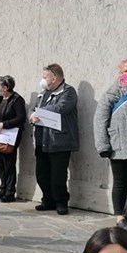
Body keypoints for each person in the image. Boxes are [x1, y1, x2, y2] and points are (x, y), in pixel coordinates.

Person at [93, 56, 127, 215]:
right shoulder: (112, 92)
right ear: (120, 72)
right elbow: (100, 119)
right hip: (118, 146)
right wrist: (103, 145)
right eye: (126, 70)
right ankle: (120, 216)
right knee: (120, 183)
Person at [30, 64, 79, 215]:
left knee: (58, 175)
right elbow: (32, 108)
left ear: (55, 78)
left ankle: (61, 202)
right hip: (41, 139)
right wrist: (31, 115)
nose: (43, 80)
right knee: (42, 173)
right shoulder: (43, 93)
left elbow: (60, 108)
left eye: (45, 77)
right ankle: (48, 200)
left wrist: (39, 113)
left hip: (59, 141)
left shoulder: (68, 92)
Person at [0, 75, 27, 203]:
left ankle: (10, 192)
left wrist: (4, 124)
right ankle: (3, 189)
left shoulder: (17, 100)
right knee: (0, 164)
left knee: (9, 164)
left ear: (6, 87)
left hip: (9, 137)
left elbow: (21, 118)